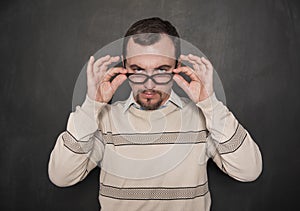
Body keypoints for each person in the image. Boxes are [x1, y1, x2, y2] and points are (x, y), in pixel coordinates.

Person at [48, 17, 262, 211]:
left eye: (161, 69)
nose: (148, 84)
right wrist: (91, 106)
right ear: (124, 66)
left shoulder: (203, 118)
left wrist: (210, 105)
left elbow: (249, 171)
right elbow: (61, 176)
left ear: (177, 67)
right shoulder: (103, 119)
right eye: (138, 69)